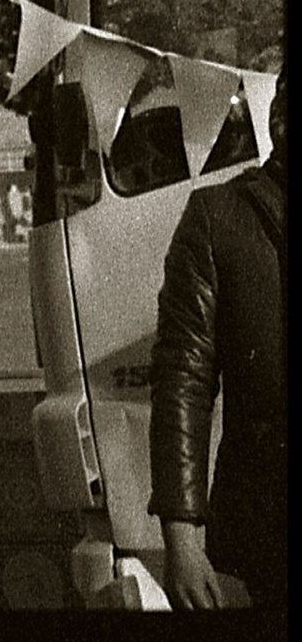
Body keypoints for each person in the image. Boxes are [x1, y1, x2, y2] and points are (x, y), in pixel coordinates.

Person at [152, 64, 285, 612]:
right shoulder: (219, 217)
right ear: (279, 121)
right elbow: (183, 379)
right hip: (267, 521)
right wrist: (182, 535)